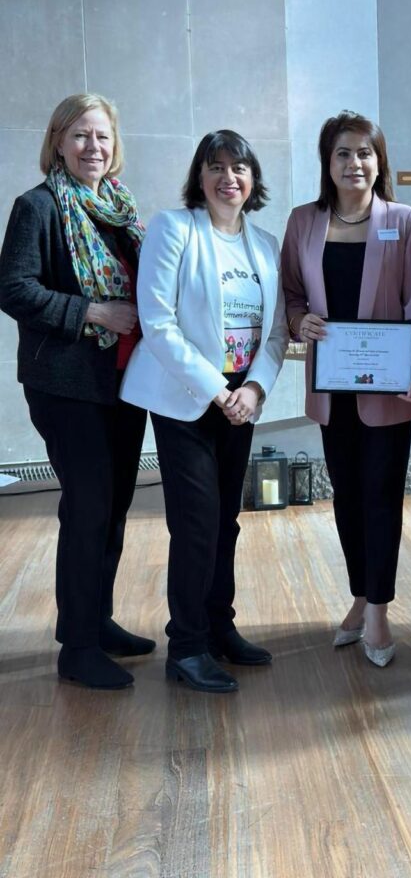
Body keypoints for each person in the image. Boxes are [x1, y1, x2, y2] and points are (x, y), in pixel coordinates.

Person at [121, 130, 288, 693]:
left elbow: (277, 332)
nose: (228, 178)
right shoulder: (173, 228)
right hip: (184, 397)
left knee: (227, 522)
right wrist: (219, 390)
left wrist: (256, 390)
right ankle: (186, 647)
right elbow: (157, 321)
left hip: (241, 399)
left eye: (239, 168)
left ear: (252, 179)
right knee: (195, 524)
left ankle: (220, 628)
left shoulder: (264, 244)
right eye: (215, 167)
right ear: (199, 177)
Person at [0, 93, 150, 690]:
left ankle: (97, 618)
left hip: (123, 379)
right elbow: (13, 290)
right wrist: (94, 311)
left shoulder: (121, 210)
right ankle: (76, 647)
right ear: (58, 141)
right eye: (82, 135)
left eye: (104, 137)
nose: (94, 147)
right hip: (65, 383)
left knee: (113, 507)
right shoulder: (36, 207)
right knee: (88, 505)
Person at [281, 111, 411, 667]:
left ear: (380, 161)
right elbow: (292, 296)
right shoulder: (303, 222)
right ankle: (358, 596)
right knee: (346, 497)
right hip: (331, 389)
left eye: (365, 153)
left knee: (381, 498)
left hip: (389, 389)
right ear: (328, 163)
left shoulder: (403, 220)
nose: (355, 163)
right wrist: (301, 322)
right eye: (344, 153)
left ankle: (378, 610)